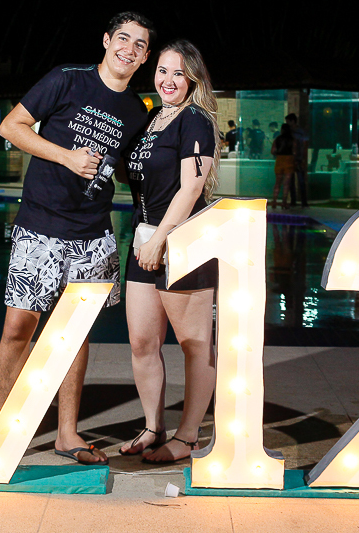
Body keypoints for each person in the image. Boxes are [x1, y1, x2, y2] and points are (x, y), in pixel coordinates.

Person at [0, 11, 153, 465]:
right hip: (40, 225)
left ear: (145, 57)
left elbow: (128, 170)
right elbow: (11, 127)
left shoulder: (135, 110)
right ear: (106, 40)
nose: (129, 48)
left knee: (74, 334)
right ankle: (2, 432)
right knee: (17, 329)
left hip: (93, 235)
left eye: (140, 44)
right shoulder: (67, 79)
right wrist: (67, 157)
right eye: (123, 38)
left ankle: (67, 434)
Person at [121, 38, 219, 465]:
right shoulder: (152, 119)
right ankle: (152, 426)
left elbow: (191, 187)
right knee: (142, 341)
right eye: (163, 71)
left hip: (182, 242)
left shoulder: (194, 120)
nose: (169, 80)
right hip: (144, 239)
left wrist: (161, 238)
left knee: (194, 343)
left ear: (192, 79)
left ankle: (188, 435)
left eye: (179, 73)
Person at [286, 113, 309, 207]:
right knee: (292, 181)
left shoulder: (300, 132)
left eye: (288, 121)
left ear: (292, 121)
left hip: (298, 158)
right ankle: (294, 200)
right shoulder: (289, 132)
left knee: (300, 180)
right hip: (291, 158)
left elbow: (305, 145)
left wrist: (303, 158)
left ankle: (303, 201)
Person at [270, 122, 294, 208]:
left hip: (279, 160)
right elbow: (295, 151)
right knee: (286, 184)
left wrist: (277, 154)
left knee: (278, 182)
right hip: (289, 161)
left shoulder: (278, 139)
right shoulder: (292, 139)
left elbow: (272, 151)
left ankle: (274, 201)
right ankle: (284, 202)